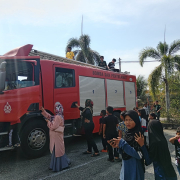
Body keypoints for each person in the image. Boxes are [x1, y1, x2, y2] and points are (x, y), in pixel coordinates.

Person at [108, 110, 151, 180]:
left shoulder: (138, 134)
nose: (127, 122)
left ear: (136, 120)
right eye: (126, 120)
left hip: (135, 167)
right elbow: (125, 151)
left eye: (130, 120)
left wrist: (122, 144)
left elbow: (139, 155)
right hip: (126, 166)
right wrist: (118, 146)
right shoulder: (127, 133)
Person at [41, 102, 70, 172]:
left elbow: (53, 126)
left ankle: (58, 166)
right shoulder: (59, 116)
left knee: (56, 152)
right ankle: (62, 164)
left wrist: (48, 122)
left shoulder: (57, 117)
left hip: (56, 138)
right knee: (58, 151)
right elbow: (50, 117)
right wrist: (44, 111)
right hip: (58, 137)